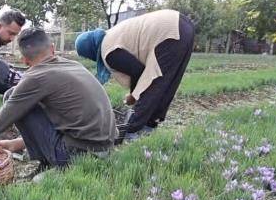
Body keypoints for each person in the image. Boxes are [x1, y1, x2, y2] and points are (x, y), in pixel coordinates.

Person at [0, 28, 117, 170]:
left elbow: (2, 120)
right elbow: (66, 120)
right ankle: (49, 158)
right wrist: (17, 143)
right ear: (53, 48)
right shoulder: (72, 65)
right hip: (105, 147)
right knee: (29, 100)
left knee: (12, 97)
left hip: (77, 155)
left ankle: (56, 165)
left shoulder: (37, 77)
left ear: (25, 60)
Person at [74, 9, 195, 140]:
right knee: (167, 81)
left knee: (154, 82)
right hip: (183, 26)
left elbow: (139, 72)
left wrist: (133, 95)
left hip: (169, 30)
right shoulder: (110, 36)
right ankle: (150, 126)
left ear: (89, 51)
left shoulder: (108, 51)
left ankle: (130, 131)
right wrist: (135, 93)